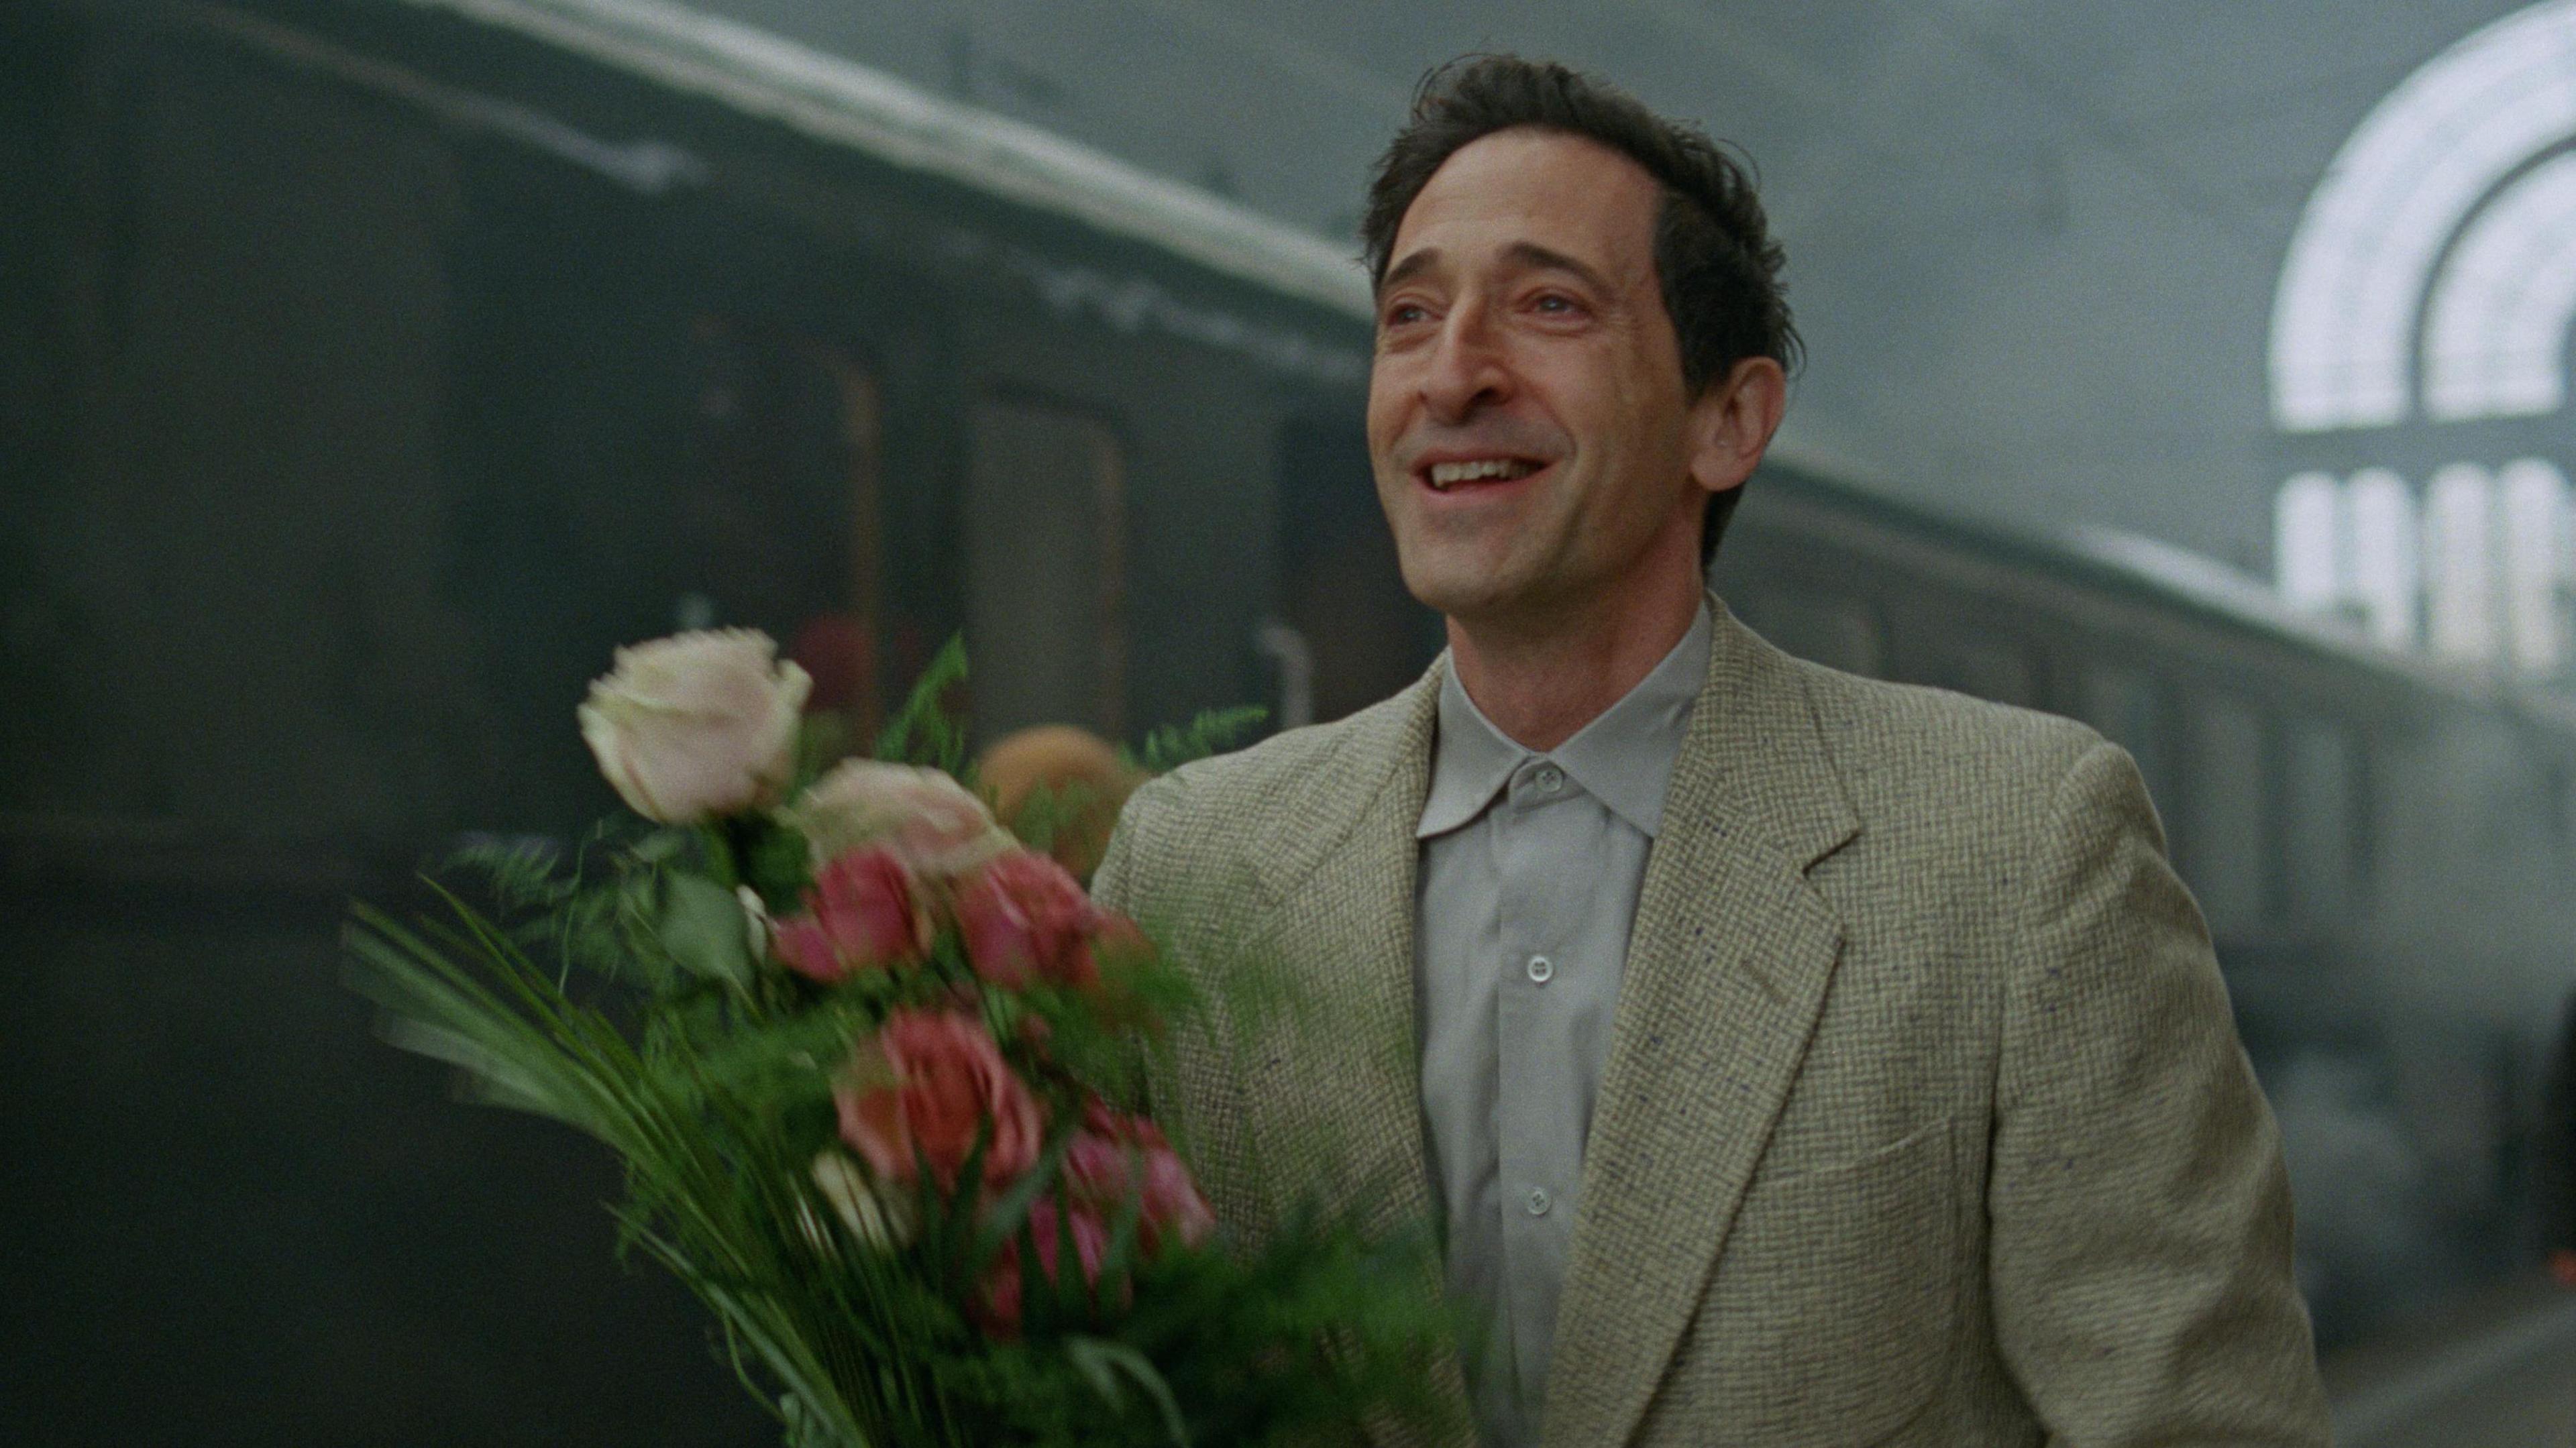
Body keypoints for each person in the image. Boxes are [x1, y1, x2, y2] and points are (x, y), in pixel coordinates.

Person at [1093, 54, 2329, 1447]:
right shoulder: (1188, 869)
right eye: (1410, 315)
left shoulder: (2025, 846)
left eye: (1548, 305)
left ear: (1727, 420)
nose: (1453, 375)